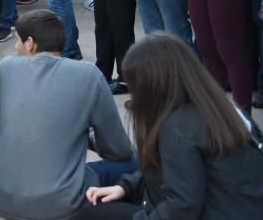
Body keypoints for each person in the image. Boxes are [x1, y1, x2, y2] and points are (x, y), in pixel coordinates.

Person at [82, 33, 263, 218]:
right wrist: (125, 187)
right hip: (237, 208)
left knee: (88, 210)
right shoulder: (217, 106)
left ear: (151, 86)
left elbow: (182, 206)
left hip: (211, 211)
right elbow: (171, 174)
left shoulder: (178, 127)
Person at [0, 10, 134, 220]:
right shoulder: (88, 75)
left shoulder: (7, 67)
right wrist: (87, 138)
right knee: (136, 163)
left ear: (30, 44)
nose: (15, 48)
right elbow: (119, 150)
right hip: (59, 203)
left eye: (17, 41)